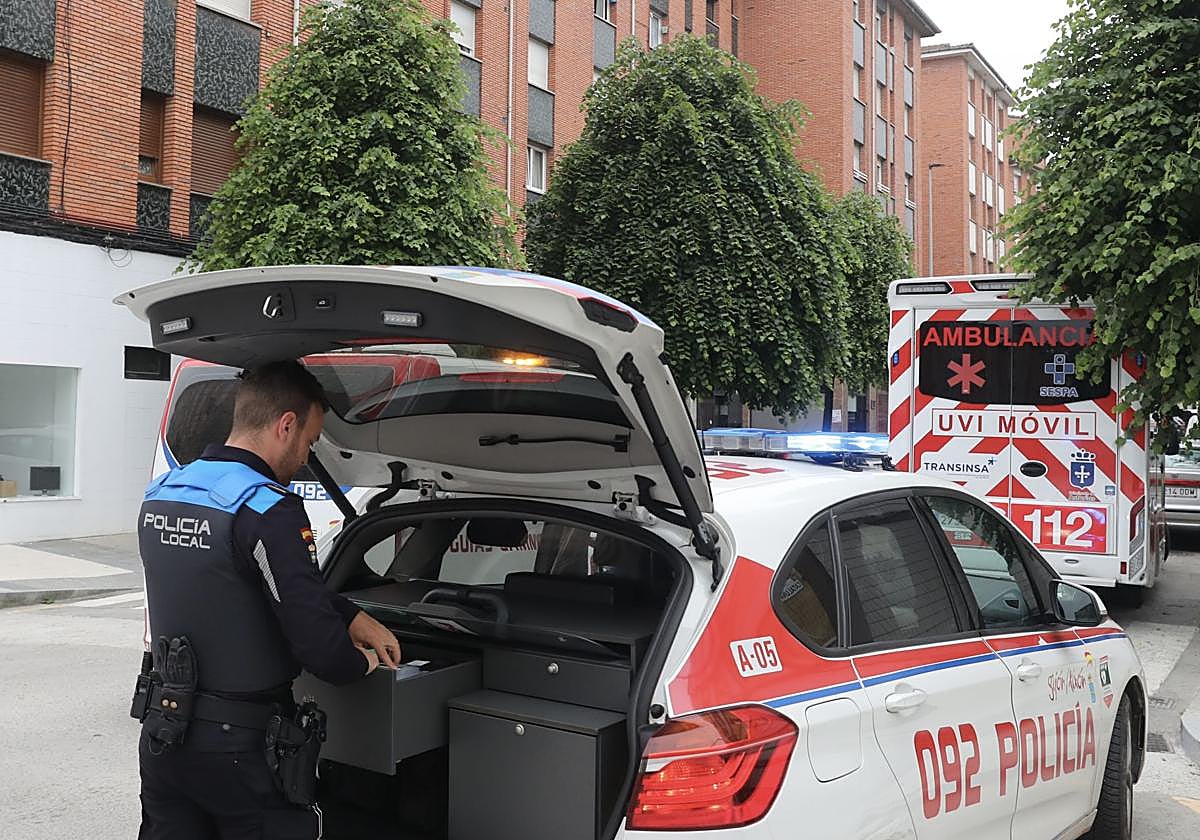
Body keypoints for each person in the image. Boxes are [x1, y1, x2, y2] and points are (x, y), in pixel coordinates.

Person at [134, 360, 401, 839]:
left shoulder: (164, 494)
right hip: (240, 750)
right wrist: (364, 663)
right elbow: (321, 650)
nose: (305, 455)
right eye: (310, 440)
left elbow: (230, 583)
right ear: (286, 425)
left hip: (163, 733)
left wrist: (351, 613)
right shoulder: (266, 508)